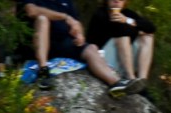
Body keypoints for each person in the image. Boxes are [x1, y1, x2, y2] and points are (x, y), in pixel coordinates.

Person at [14, 0, 145, 97]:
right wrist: (64, 17)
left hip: (62, 42)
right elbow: (31, 11)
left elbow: (76, 23)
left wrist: (79, 34)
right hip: (36, 43)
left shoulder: (66, 2)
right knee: (42, 19)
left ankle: (116, 84)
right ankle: (43, 71)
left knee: (91, 48)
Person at [86, 0, 155, 86]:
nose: (117, 0)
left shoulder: (127, 14)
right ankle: (131, 78)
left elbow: (151, 28)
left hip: (121, 59)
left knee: (148, 37)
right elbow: (120, 31)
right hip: (102, 61)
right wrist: (136, 29)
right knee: (123, 38)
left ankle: (142, 81)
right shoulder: (100, 14)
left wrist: (127, 20)